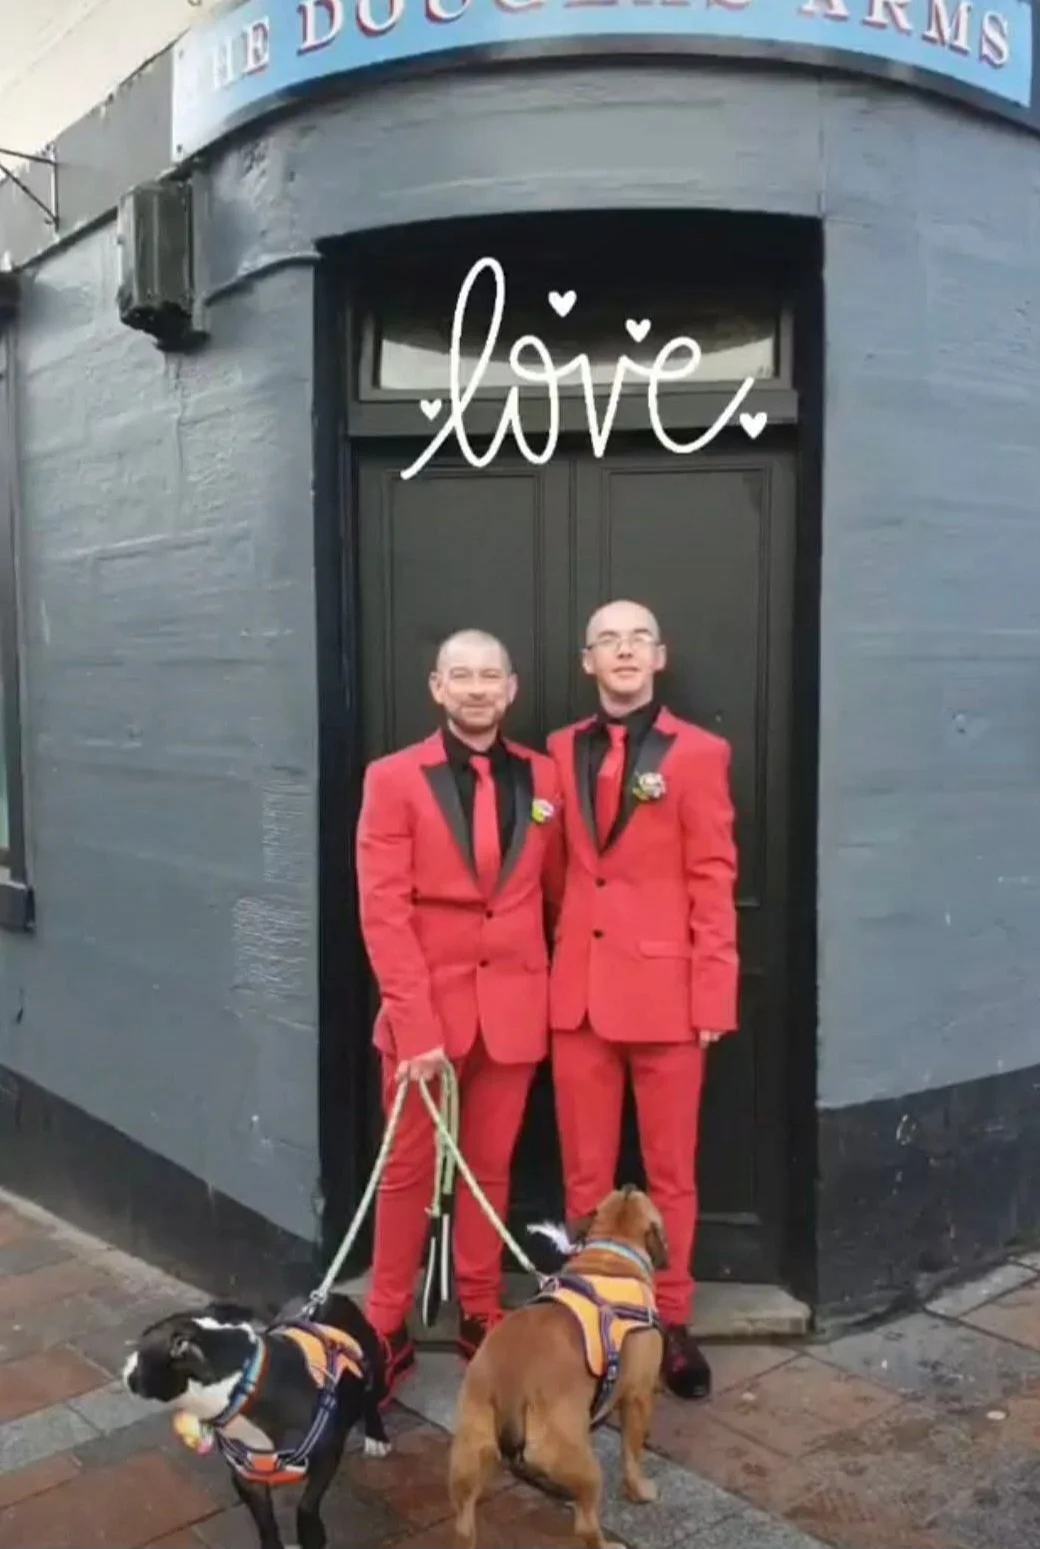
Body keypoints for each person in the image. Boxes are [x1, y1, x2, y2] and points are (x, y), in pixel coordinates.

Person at [355, 629, 562, 1393]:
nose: (477, 689)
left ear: (511, 688)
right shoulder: (391, 778)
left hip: (514, 1007)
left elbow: (560, 890)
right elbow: (383, 910)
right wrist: (413, 1025)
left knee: (488, 1167)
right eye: (461, 676)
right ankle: (385, 1321)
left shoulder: (545, 776)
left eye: (489, 676)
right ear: (437, 687)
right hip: (426, 1018)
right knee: (408, 1169)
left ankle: (480, 1307)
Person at [546, 599, 739, 1401]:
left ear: (660, 656)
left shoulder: (700, 753)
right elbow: (555, 867)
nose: (623, 651)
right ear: (587, 661)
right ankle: (590, 1310)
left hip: (668, 995)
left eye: (638, 639)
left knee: (671, 1172)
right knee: (584, 1172)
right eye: (607, 640)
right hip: (578, 995)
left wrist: (713, 992)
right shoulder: (559, 749)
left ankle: (673, 1318)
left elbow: (714, 874)